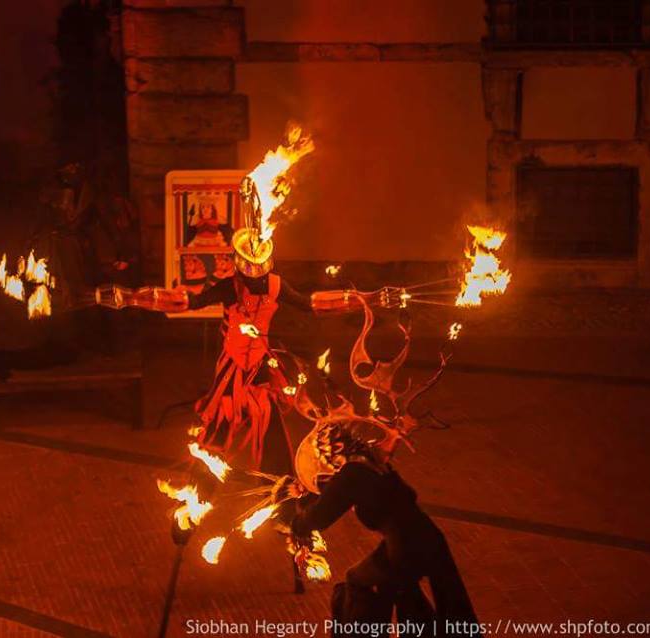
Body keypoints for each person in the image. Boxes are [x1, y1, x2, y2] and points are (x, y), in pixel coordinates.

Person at [97, 223, 398, 475]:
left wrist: (369, 298)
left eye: (260, 266)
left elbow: (313, 304)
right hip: (232, 368)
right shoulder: (230, 286)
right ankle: (200, 486)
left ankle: (279, 485)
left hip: (261, 365)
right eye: (250, 266)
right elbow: (189, 301)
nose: (255, 273)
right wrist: (132, 297)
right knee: (219, 426)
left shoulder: (277, 286)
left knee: (269, 424)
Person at [291, 419, 481, 637]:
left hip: (405, 547)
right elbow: (334, 493)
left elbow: (319, 517)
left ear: (338, 448)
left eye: (326, 454)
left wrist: (297, 523)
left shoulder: (352, 474)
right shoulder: (371, 463)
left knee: (358, 580)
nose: (326, 461)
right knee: (405, 592)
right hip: (425, 536)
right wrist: (307, 497)